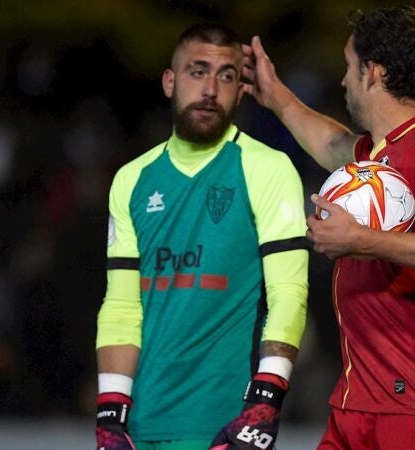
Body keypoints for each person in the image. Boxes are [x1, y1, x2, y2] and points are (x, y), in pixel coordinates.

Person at [242, 6, 415, 449]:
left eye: (348, 65)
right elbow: (333, 143)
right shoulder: (379, 154)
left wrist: (361, 239)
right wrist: (274, 93)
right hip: (361, 401)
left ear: (373, 72)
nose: (342, 81)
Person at [94, 23, 309, 450]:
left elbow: (288, 294)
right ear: (169, 82)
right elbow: (121, 306)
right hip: (140, 425)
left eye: (226, 76)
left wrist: (265, 401)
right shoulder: (131, 180)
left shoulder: (268, 168)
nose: (211, 89)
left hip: (225, 426)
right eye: (197, 72)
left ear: (241, 90)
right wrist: (109, 415)